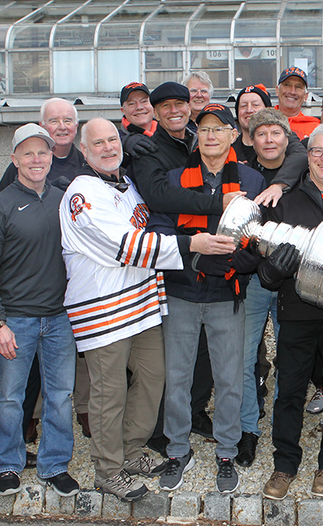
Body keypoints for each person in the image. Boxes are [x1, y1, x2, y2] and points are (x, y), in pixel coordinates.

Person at [60, 118, 232, 501]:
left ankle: (131, 451)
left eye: (112, 140)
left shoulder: (126, 185)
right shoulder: (81, 193)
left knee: (155, 378)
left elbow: (151, 225)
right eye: (98, 143)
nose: (108, 148)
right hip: (103, 311)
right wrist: (192, 245)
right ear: (83, 151)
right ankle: (107, 469)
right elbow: (124, 246)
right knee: (110, 392)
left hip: (141, 304)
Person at [146, 103, 264, 494]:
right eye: (205, 129)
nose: (211, 135)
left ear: (234, 135)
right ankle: (178, 449)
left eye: (220, 128)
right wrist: (194, 256)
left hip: (227, 293)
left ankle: (227, 451)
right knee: (177, 376)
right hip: (181, 290)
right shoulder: (176, 178)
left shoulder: (250, 178)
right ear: (198, 138)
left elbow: (257, 235)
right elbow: (160, 227)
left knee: (230, 379)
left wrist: (236, 262)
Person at [258, 124, 323, 501]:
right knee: (288, 392)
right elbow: (263, 264)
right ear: (307, 154)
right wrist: (272, 270)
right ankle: (285, 464)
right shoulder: (282, 201)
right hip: (298, 313)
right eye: (318, 151)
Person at [0, 124, 79, 498]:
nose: (37, 159)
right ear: (14, 159)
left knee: (59, 395)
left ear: (53, 157)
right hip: (15, 320)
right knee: (10, 396)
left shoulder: (65, 200)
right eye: (29, 153)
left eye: (44, 152)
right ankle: (8, 463)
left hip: (60, 318)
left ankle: (54, 464)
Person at [234, 108, 294, 467]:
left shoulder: (301, 169)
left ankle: (281, 426)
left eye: (276, 133)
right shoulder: (242, 174)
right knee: (244, 356)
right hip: (254, 277)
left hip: (291, 280)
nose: (269, 140)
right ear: (251, 139)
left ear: (287, 137)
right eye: (261, 134)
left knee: (289, 358)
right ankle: (247, 429)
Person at [0, 98, 84, 190]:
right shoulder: (23, 166)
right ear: (42, 126)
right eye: (54, 121)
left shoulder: (86, 164)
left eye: (67, 121)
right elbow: (1, 201)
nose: (62, 127)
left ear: (76, 126)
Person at [275, 67, 320, 139]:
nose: (292, 92)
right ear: (277, 90)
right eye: (287, 85)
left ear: (306, 96)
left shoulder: (315, 128)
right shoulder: (263, 120)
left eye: (298, 87)